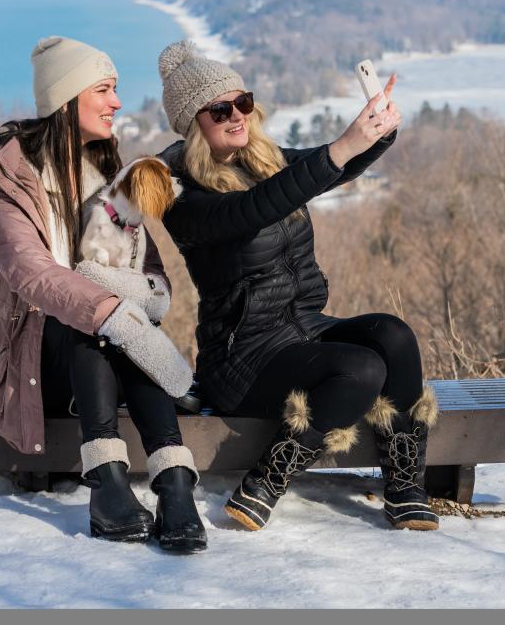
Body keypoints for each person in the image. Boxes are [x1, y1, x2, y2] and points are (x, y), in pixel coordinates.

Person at [155, 40, 439, 531]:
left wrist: (377, 130)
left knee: (394, 335)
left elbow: (323, 170)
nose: (237, 116)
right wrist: (343, 145)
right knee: (362, 369)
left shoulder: (261, 159)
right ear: (192, 124)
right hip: (243, 358)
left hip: (302, 328)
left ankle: (405, 482)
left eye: (242, 102)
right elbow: (255, 208)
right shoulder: (182, 196)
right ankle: (266, 480)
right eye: (219, 110)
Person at [0, 36, 206, 553]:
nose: (117, 103)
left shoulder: (106, 174)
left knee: (119, 322)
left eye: (116, 90)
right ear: (67, 100)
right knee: (92, 320)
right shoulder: (0, 185)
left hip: (106, 360)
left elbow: (155, 280)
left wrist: (135, 304)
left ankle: (175, 485)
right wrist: (115, 314)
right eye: (104, 90)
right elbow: (33, 275)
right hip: (27, 362)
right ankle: (106, 483)